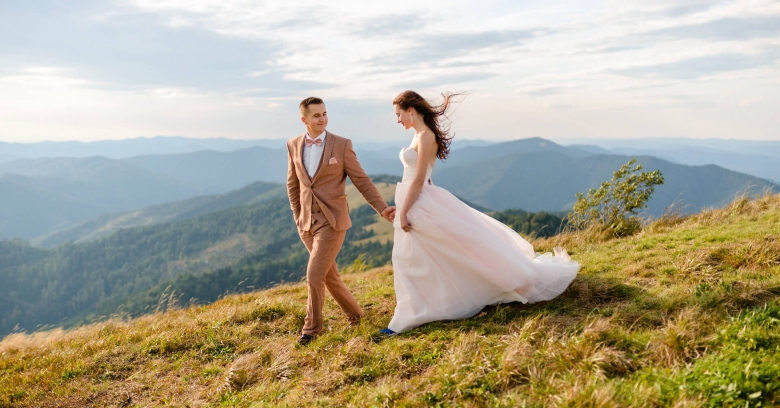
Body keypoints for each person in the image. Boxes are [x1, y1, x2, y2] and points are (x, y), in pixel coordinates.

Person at [380, 91, 580, 335]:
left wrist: (404, 212)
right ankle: (415, 310)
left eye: (398, 114)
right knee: (415, 257)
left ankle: (409, 315)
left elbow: (420, 178)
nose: (397, 119)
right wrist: (400, 206)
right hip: (414, 200)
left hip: (419, 200)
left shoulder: (425, 136)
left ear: (410, 110)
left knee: (414, 257)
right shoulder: (418, 135)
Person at [286, 97, 396, 345]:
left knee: (314, 275)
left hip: (333, 221)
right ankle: (356, 317)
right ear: (304, 119)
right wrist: (297, 215)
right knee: (329, 276)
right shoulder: (293, 145)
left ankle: (311, 330)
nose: (322, 118)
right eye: (316, 115)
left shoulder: (342, 145)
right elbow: (293, 185)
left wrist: (383, 209)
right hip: (306, 223)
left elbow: (362, 180)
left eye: (324, 113)